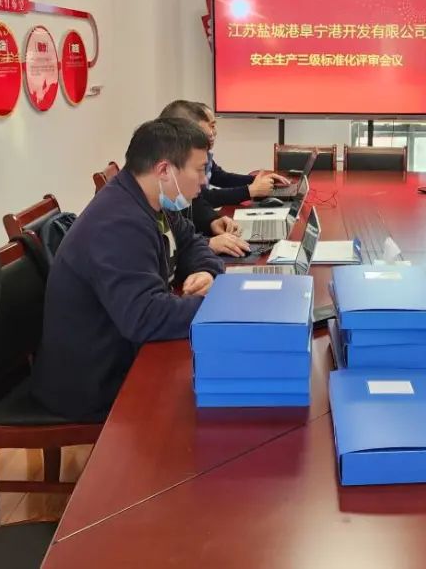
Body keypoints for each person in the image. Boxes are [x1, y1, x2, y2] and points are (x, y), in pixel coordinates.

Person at [31, 118, 225, 421]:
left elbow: (192, 241)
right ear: (164, 170)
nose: (203, 181)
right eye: (200, 170)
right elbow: (146, 317)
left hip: (127, 353)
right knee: (214, 399)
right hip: (96, 382)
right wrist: (220, 303)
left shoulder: (150, 199)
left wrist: (206, 272)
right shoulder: (117, 224)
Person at [158, 100, 250, 257]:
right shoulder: (132, 216)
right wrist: (208, 245)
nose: (204, 181)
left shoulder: (168, 197)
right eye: (198, 170)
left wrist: (212, 222)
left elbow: (185, 239)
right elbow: (165, 256)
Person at [198, 103, 289, 207]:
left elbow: (221, 177)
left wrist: (257, 181)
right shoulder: (188, 160)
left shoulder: (204, 154)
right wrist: (249, 191)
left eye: (214, 126)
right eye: (211, 126)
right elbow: (204, 198)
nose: (213, 132)